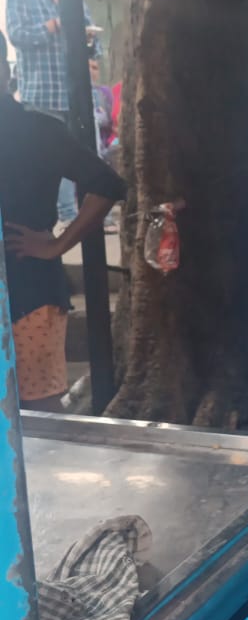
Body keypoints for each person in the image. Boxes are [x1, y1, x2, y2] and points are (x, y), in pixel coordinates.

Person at [0, 31, 125, 410]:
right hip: (32, 285)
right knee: (34, 413)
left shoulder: (37, 129)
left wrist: (56, 245)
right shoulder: (39, 128)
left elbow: (107, 184)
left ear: (7, 72)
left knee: (38, 410)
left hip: (29, 291)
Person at [5, 0, 101, 225]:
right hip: (42, 95)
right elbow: (17, 35)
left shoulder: (74, 1)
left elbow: (95, 46)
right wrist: (52, 26)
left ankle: (92, 214)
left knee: (86, 153)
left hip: (78, 96)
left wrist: (91, 45)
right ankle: (67, 215)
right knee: (50, 159)